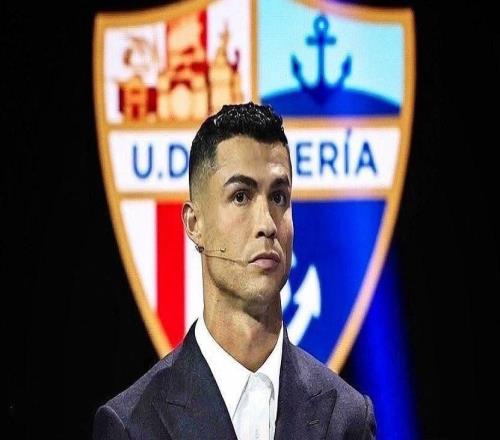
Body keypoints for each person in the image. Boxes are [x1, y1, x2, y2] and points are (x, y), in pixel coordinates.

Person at [93, 102, 376, 439]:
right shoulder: (132, 425)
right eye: (241, 196)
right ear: (194, 224)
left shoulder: (349, 418)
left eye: (279, 197)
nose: (267, 224)